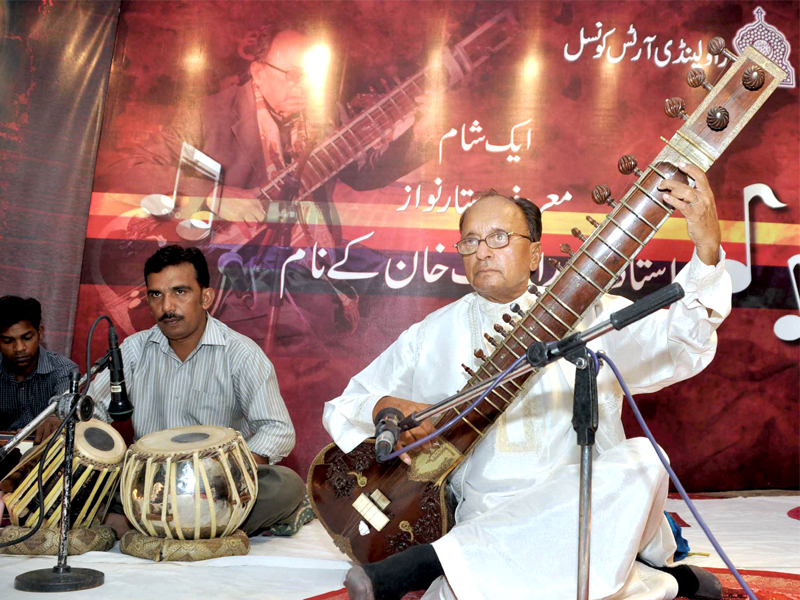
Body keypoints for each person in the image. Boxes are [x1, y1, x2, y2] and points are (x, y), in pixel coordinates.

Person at [323, 163, 732, 600]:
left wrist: (706, 253)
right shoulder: (432, 336)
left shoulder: (589, 317)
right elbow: (345, 404)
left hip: (585, 509)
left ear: (535, 254)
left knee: (645, 460)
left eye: (499, 237)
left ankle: (431, 564)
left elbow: (681, 343)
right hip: (490, 517)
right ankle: (662, 578)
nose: (482, 251)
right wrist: (388, 406)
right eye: (471, 241)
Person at [89, 245, 305, 537]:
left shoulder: (240, 353)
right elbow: (90, 412)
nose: (167, 307)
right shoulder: (133, 351)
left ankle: (143, 527)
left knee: (285, 486)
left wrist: (226, 474)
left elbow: (278, 429)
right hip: (148, 484)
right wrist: (74, 420)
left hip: (215, 489)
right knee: (88, 479)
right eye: (156, 294)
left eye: (180, 292)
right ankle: (204, 534)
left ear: (206, 297)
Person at [0, 296, 77, 444]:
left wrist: (55, 418)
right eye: (8, 341)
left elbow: (63, 404)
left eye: (27, 338)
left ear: (40, 332)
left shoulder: (64, 370)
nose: (19, 348)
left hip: (46, 458)